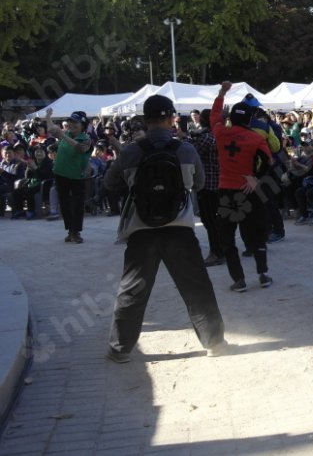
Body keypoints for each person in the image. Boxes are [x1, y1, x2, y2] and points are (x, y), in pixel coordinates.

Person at [104, 95, 226, 363]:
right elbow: (200, 184)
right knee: (196, 286)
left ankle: (120, 349)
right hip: (180, 229)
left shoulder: (131, 151)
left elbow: (110, 183)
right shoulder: (186, 149)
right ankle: (214, 342)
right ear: (172, 118)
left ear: (145, 121)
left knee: (132, 289)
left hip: (141, 230)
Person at [211, 81, 273, 292]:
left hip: (226, 190)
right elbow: (267, 159)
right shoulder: (255, 137)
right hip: (248, 191)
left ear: (230, 118)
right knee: (256, 231)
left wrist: (222, 93)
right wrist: (255, 177)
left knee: (227, 235)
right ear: (249, 119)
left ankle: (238, 280)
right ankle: (263, 274)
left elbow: (213, 117)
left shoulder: (220, 132)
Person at [46, 109, 91, 243]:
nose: (72, 124)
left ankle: (76, 232)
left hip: (77, 176)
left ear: (82, 125)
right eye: (70, 121)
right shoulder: (65, 133)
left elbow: (80, 149)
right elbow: (51, 128)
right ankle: (70, 231)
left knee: (77, 204)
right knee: (64, 204)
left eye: (75, 122)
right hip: (60, 174)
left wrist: (63, 136)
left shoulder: (86, 139)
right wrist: (48, 117)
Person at [185, 109, 223, 266]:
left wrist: (185, 138)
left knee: (210, 221)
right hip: (218, 184)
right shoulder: (218, 135)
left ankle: (216, 253)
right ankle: (222, 250)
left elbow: (191, 153)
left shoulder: (206, 138)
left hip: (207, 185)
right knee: (216, 221)